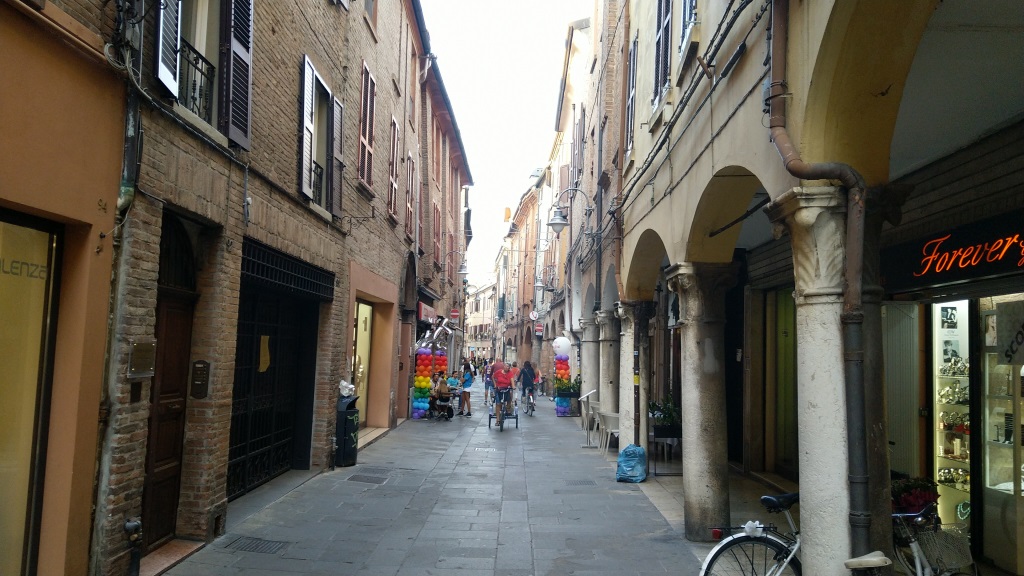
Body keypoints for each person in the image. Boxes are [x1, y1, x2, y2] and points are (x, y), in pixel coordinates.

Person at [492, 360, 514, 426]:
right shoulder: (499, 372)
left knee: (510, 396)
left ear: (509, 368)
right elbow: (493, 377)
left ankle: (508, 408)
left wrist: (513, 386)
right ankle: (497, 420)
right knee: (498, 404)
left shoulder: (510, 373)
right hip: (499, 389)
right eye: (505, 366)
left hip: (506, 388)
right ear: (503, 366)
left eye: (508, 367)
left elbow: (512, 380)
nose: (506, 367)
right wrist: (495, 384)